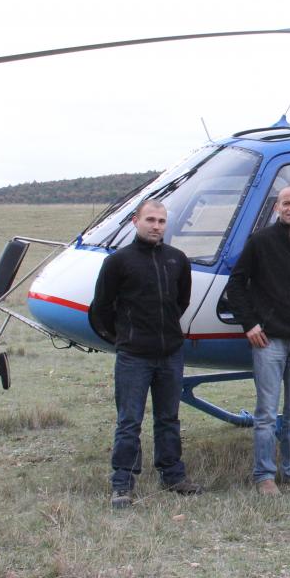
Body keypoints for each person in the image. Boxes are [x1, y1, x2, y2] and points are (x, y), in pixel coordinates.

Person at [89, 199, 203, 508]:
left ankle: (173, 475)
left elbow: (181, 302)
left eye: (161, 221)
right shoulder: (118, 262)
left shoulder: (177, 260)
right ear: (135, 221)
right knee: (129, 421)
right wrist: (124, 338)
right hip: (133, 357)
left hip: (170, 354)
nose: (156, 226)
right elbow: (100, 310)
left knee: (169, 418)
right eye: (150, 220)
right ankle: (122, 483)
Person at [224, 186, 290, 496]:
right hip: (269, 341)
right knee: (267, 412)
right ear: (277, 208)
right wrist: (250, 324)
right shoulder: (260, 242)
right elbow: (237, 285)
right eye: (286, 203)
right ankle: (265, 476)